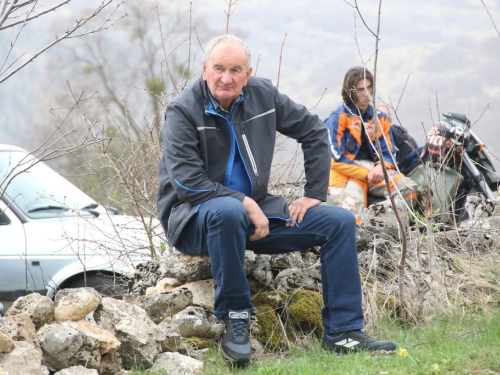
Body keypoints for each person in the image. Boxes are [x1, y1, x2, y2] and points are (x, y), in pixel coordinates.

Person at [157, 35, 396, 363]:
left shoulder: (263, 94)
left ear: (247, 73)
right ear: (204, 69)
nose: (226, 77)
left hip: (255, 214)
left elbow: (313, 130)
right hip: (194, 218)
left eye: (235, 70)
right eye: (218, 68)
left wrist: (313, 193)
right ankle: (236, 318)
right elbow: (188, 183)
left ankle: (343, 332)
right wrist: (246, 203)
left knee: (338, 221)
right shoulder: (182, 110)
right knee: (227, 210)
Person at [325, 66, 419, 223]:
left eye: (369, 87)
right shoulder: (338, 117)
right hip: (345, 175)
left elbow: (388, 153)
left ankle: (391, 231)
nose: (367, 93)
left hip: (376, 170)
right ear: (350, 92)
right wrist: (366, 173)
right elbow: (335, 160)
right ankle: (362, 244)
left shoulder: (380, 118)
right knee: (353, 213)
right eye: (361, 89)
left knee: (409, 188)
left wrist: (381, 167)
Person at [375, 103, 421, 175]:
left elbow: (415, 170)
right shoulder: (359, 140)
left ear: (390, 121)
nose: (380, 123)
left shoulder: (406, 142)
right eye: (376, 120)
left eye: (385, 119)